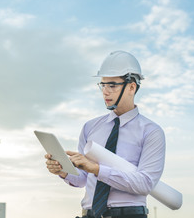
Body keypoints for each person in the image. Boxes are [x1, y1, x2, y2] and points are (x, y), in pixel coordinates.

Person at [45, 51, 165, 218]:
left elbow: (145, 184)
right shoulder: (90, 127)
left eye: (112, 85)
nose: (105, 92)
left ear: (131, 87)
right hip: (90, 214)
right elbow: (83, 179)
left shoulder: (151, 132)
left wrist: (97, 169)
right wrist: (63, 171)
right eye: (103, 85)